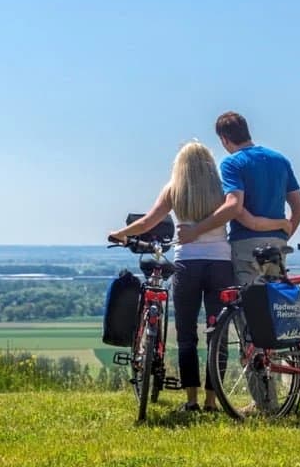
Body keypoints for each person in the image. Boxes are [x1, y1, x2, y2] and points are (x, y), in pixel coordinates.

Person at [107, 141, 290, 413]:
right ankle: (212, 400)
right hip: (220, 266)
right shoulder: (222, 188)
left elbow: (148, 221)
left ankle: (191, 400)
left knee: (186, 335)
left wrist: (121, 233)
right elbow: (243, 215)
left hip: (186, 267)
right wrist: (280, 225)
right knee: (218, 334)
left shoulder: (174, 190)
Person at [178, 111, 300, 286]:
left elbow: (234, 206)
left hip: (246, 246)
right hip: (276, 245)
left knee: (248, 307)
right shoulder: (280, 160)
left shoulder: (232, 163)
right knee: (271, 303)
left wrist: (195, 231)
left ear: (224, 139)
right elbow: (299, 209)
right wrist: (283, 233)